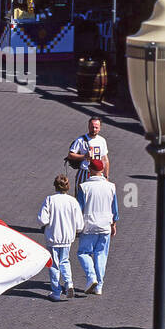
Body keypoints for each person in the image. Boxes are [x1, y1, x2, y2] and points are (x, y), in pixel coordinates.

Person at [38, 174, 84, 301]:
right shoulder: (72, 201)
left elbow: (42, 219)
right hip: (67, 237)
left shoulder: (50, 200)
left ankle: (56, 291)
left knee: (54, 264)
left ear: (55, 186)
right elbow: (79, 224)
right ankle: (69, 283)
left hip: (53, 237)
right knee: (65, 261)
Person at [75, 158, 117, 295]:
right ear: (102, 170)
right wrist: (114, 224)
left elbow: (79, 208)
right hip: (105, 225)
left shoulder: (84, 187)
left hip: (89, 225)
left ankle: (91, 276)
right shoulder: (111, 186)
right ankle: (99, 285)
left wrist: (76, 226)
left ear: (90, 170)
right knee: (101, 254)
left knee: (83, 252)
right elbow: (114, 208)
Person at [66, 117, 109, 192]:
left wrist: (106, 176)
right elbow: (70, 155)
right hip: (85, 172)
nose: (94, 129)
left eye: (96, 127)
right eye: (92, 127)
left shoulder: (102, 140)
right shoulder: (80, 140)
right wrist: (84, 156)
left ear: (100, 128)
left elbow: (105, 159)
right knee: (81, 194)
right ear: (88, 127)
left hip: (98, 173)